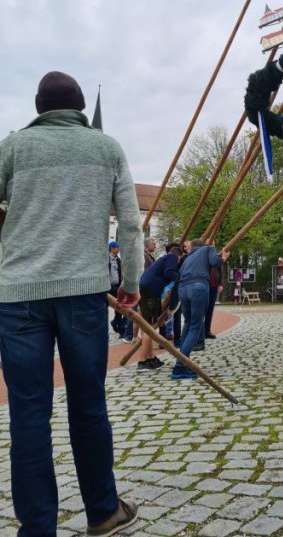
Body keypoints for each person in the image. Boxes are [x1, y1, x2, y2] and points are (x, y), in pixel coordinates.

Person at [0, 71, 142, 537]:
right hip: (83, 294)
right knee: (88, 405)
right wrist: (132, 282)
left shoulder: (13, 147)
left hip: (19, 294)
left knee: (28, 413)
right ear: (81, 107)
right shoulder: (106, 148)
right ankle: (103, 511)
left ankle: (37, 528)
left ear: (39, 107)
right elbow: (131, 225)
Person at [172, 238, 230, 379]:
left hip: (183, 289)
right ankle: (179, 366)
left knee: (188, 323)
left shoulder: (187, 257)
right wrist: (223, 258)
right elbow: (214, 262)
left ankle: (182, 361)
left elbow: (178, 275)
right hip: (198, 288)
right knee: (195, 327)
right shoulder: (208, 249)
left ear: (192, 246)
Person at [137, 242, 183, 370]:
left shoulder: (163, 259)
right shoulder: (172, 257)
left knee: (150, 325)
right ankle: (142, 361)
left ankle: (150, 357)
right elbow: (169, 273)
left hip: (148, 289)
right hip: (150, 291)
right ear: (178, 256)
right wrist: (181, 277)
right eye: (180, 260)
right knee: (150, 327)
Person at [108, 240, 125, 337]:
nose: (119, 249)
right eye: (117, 247)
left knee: (119, 307)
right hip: (108, 287)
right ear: (112, 248)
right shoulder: (106, 259)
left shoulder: (118, 260)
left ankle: (120, 328)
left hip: (117, 286)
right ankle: (116, 325)